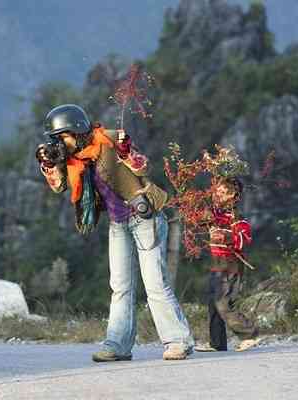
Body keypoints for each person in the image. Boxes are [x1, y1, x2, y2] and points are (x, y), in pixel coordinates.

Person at [36, 104, 194, 361]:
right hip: (119, 224)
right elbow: (59, 186)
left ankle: (178, 341)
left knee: (154, 283)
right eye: (56, 140)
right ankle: (118, 345)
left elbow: (142, 167)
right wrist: (48, 163)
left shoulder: (109, 139)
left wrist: (126, 149)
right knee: (120, 286)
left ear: (76, 131)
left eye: (61, 137)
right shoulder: (75, 161)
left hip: (144, 218)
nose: (60, 144)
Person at [195, 177, 260, 353]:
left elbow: (245, 239)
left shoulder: (236, 218)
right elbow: (200, 221)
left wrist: (227, 238)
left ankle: (249, 335)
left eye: (223, 192)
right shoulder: (215, 214)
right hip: (216, 264)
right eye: (217, 191)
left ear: (233, 196)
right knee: (212, 304)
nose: (218, 194)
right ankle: (217, 343)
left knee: (224, 303)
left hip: (231, 265)